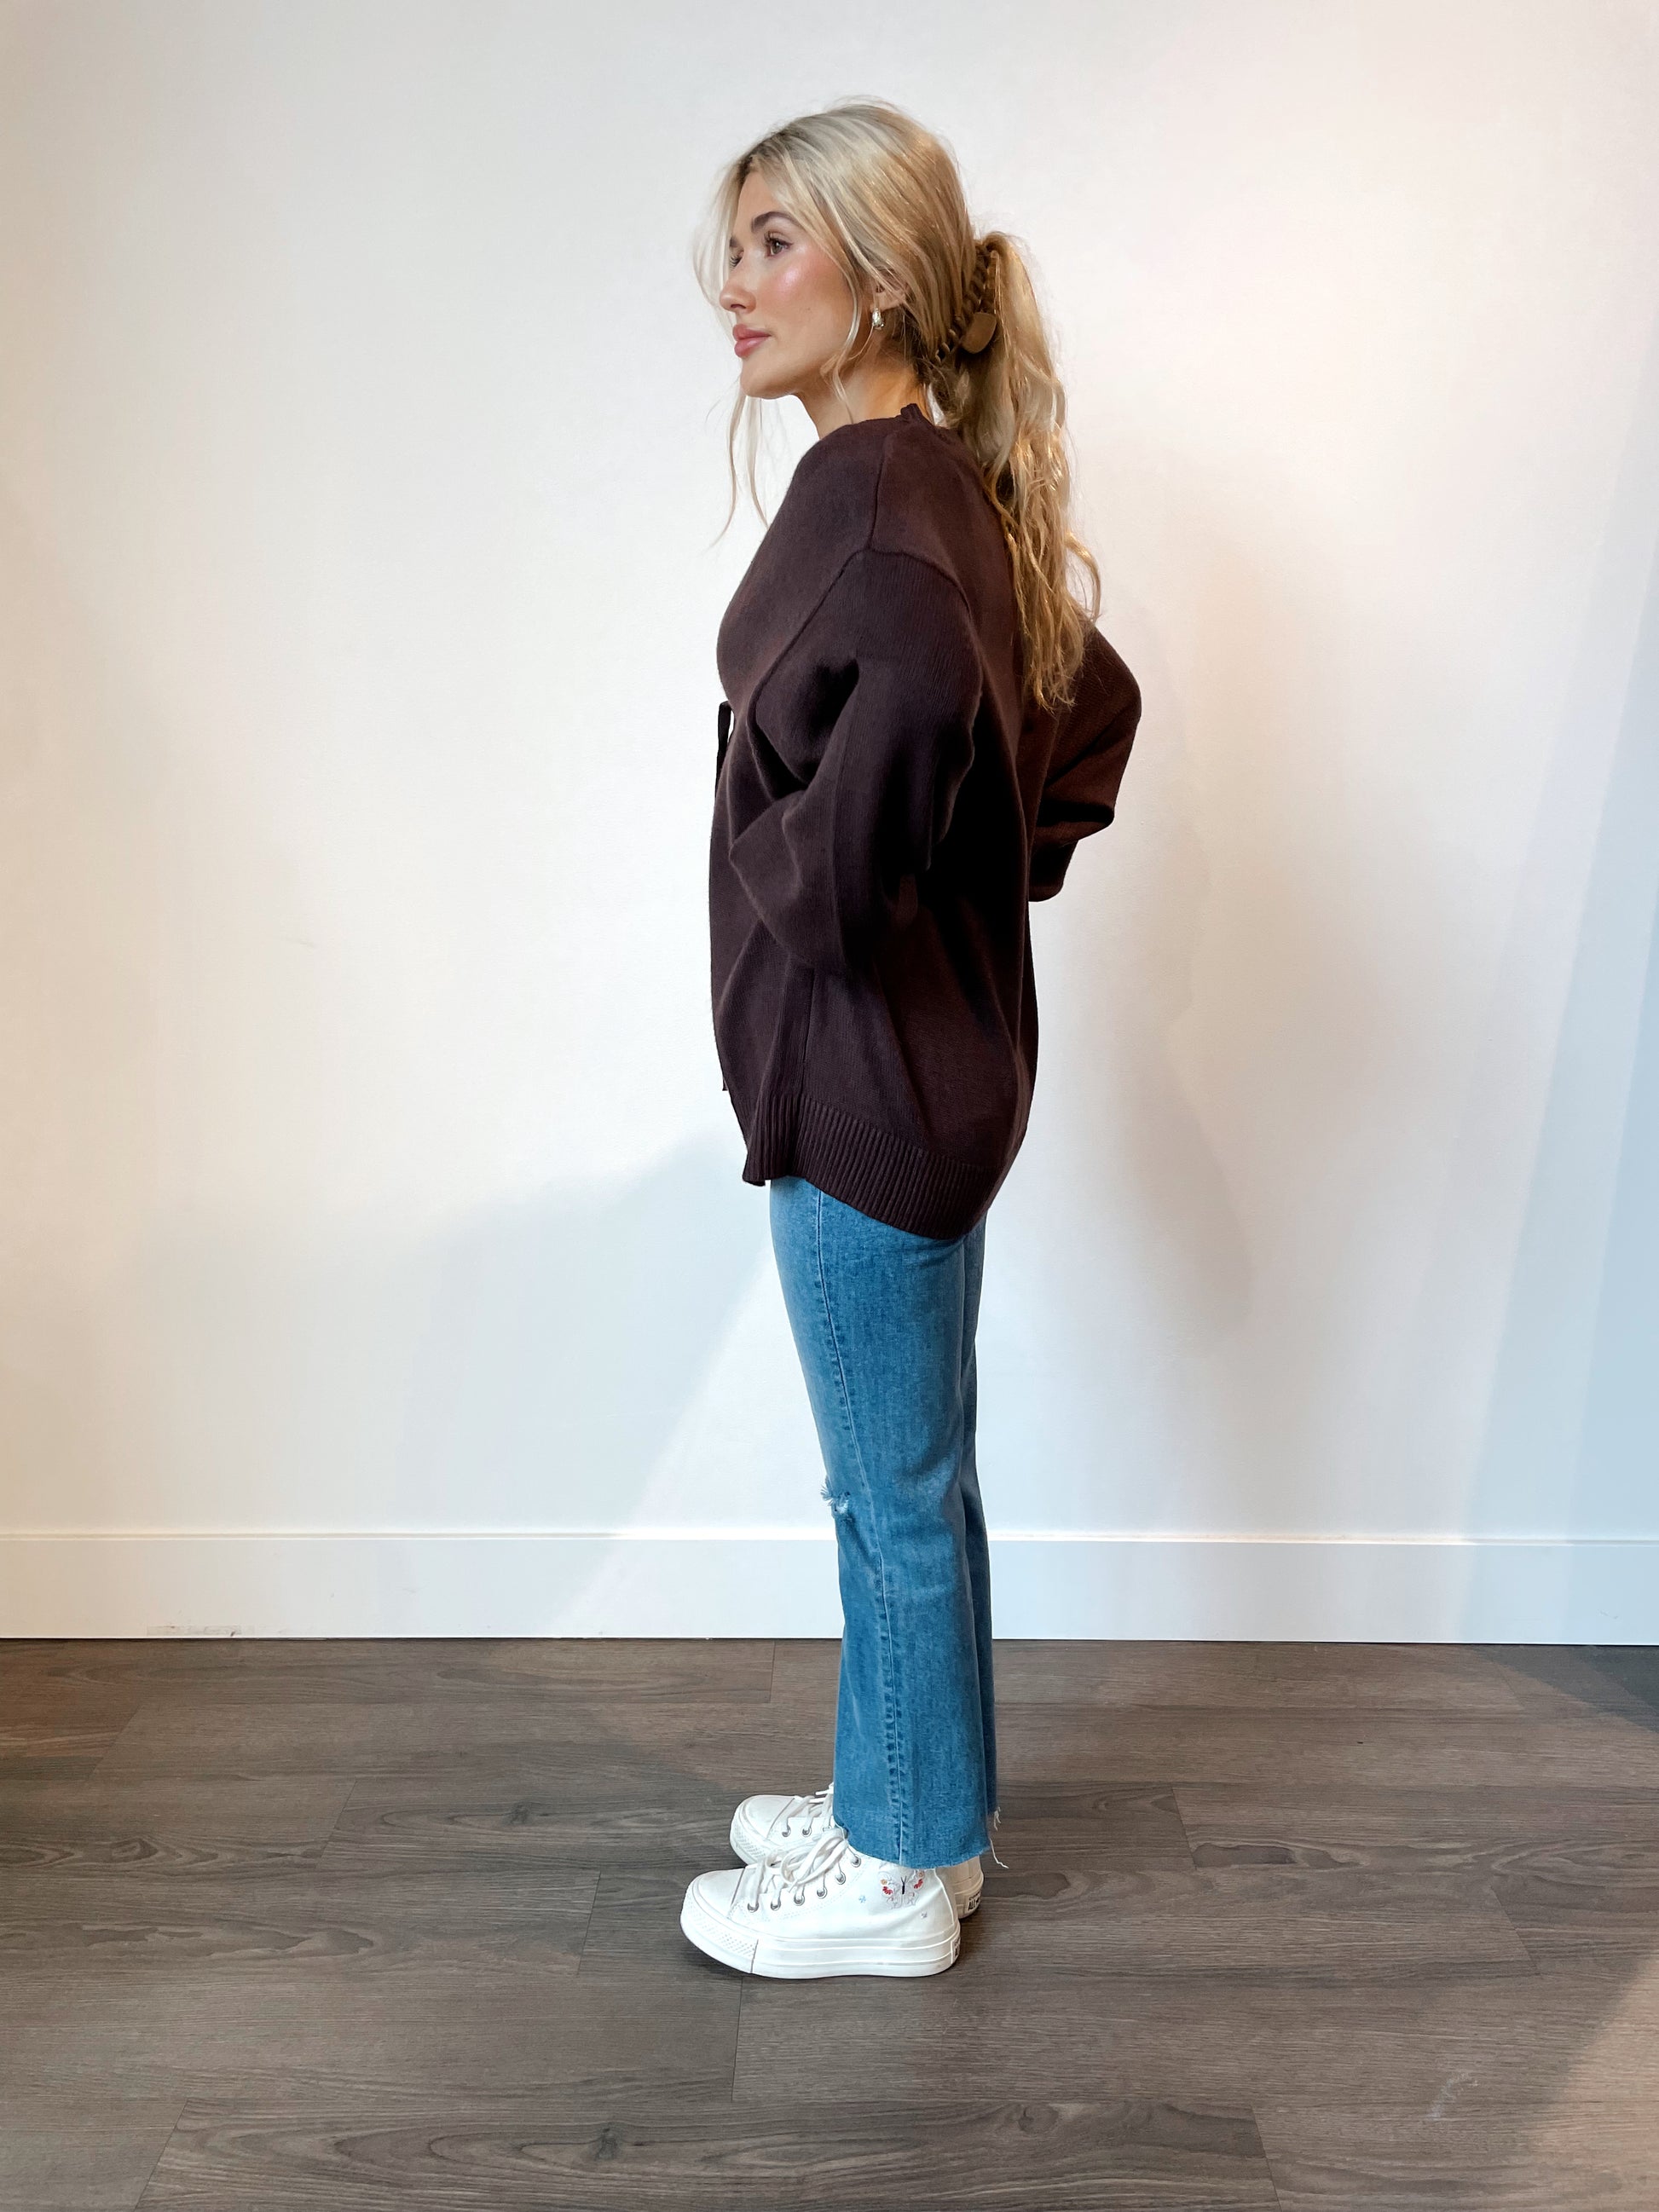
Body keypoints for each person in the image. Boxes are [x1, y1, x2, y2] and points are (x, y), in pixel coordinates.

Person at [680, 98, 1142, 1980]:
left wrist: (783, 847)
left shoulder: (874, 500)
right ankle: (919, 1812)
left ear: (878, 277)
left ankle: (889, 1879)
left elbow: (865, 837)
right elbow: (1091, 703)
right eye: (730, 246)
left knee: (885, 1491)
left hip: (868, 1091)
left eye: (774, 242)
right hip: (929, 1075)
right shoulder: (931, 480)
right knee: (913, 1480)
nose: (733, 284)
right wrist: (979, 862)